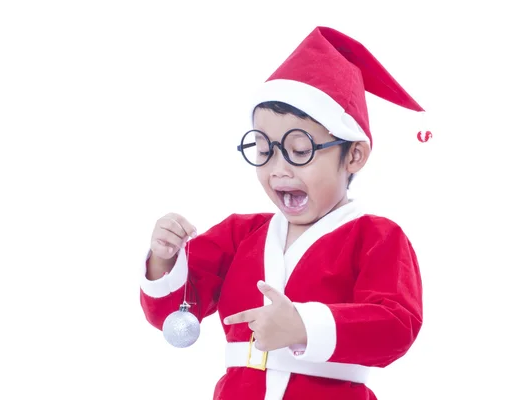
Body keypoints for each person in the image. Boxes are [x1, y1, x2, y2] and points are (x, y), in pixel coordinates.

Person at [139, 25, 425, 400]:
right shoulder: (240, 234)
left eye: (299, 148)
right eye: (264, 148)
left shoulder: (377, 237)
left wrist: (305, 327)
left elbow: (396, 327)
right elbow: (174, 313)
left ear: (353, 155)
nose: (278, 168)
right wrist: (164, 259)